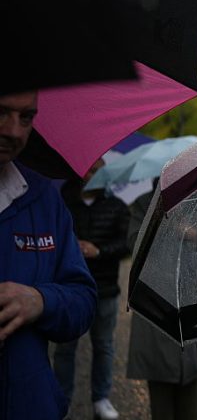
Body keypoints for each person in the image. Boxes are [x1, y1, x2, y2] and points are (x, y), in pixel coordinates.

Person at [0, 91, 97, 420]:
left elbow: (83, 299)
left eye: (26, 117)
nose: (14, 131)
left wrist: (40, 301)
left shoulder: (43, 198)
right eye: (1, 113)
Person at [125, 177, 197, 420]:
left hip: (196, 303)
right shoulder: (144, 204)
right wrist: (161, 224)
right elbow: (134, 244)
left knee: (192, 392)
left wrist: (193, 234)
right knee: (161, 393)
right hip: (157, 305)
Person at [53, 156, 132, 420]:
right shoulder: (63, 201)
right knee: (65, 348)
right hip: (69, 289)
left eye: (99, 170)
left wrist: (99, 251)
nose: (94, 175)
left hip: (105, 289)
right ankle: (62, 399)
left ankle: (101, 398)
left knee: (104, 345)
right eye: (90, 169)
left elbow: (126, 243)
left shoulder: (117, 206)